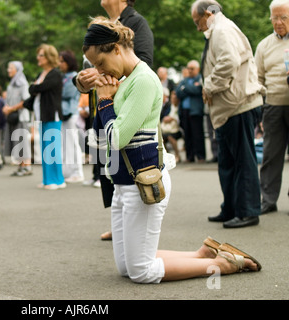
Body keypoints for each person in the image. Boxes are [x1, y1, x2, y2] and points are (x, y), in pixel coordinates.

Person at [83, 16, 260, 284]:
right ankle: (203, 254)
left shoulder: (143, 80)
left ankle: (221, 265)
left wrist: (105, 101)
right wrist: (100, 95)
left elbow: (116, 138)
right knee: (125, 268)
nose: (99, 70)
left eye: (100, 62)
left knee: (141, 271)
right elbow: (100, 133)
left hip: (142, 184)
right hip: (123, 184)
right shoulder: (122, 80)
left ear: (116, 49)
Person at [75, 0, 154, 241]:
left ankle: (126, 219)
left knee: (121, 155)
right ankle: (117, 217)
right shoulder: (101, 25)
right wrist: (82, 81)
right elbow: (87, 71)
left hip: (122, 99)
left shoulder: (137, 22)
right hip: (102, 100)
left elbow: (142, 62)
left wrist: (101, 76)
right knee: (107, 163)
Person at [192, 0, 265, 228]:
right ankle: (232, 208)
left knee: (242, 161)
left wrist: (210, 86)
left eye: (198, 21)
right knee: (229, 161)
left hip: (239, 105)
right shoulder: (220, 30)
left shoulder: (223, 30)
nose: (198, 27)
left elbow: (229, 62)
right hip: (231, 106)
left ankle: (247, 212)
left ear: (207, 13)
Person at [255, 0, 289, 215]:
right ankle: (268, 200)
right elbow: (256, 78)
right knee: (270, 155)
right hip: (273, 105)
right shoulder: (264, 45)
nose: (278, 22)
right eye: (274, 18)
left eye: (283, 17)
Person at [26, 44, 65, 190]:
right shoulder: (40, 74)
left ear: (49, 57)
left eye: (41, 55)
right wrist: (33, 88)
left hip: (51, 115)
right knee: (45, 148)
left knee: (52, 148)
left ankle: (57, 180)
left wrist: (34, 87)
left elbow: (37, 88)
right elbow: (32, 90)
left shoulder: (54, 74)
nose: (38, 58)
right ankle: (48, 179)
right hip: (42, 115)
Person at [3, 61, 32, 176]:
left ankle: (27, 167)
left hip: (21, 117)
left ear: (17, 70)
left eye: (11, 68)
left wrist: (11, 109)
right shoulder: (11, 84)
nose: (8, 70)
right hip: (13, 117)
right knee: (17, 143)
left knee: (22, 142)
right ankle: (21, 166)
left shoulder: (23, 84)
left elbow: (25, 101)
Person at [59, 50, 84, 183]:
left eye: (62, 61)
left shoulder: (74, 76)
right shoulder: (64, 76)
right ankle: (68, 171)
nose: (60, 64)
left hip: (70, 112)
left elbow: (66, 92)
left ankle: (78, 172)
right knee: (65, 143)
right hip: (63, 113)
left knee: (72, 142)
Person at [176, 60, 206, 163]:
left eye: (192, 69)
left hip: (195, 111)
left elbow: (197, 90)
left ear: (197, 69)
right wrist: (188, 89)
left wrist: (185, 89)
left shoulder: (200, 79)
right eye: (188, 68)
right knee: (187, 135)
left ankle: (201, 156)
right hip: (185, 111)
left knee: (197, 135)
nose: (189, 70)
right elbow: (178, 92)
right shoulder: (184, 80)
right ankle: (190, 156)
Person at [161, 90, 182, 163]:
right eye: (172, 98)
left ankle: (177, 155)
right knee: (162, 138)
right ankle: (167, 155)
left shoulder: (180, 107)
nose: (173, 99)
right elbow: (164, 116)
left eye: (175, 98)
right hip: (168, 129)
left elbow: (180, 118)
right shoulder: (169, 106)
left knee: (171, 137)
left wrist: (172, 118)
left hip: (177, 129)